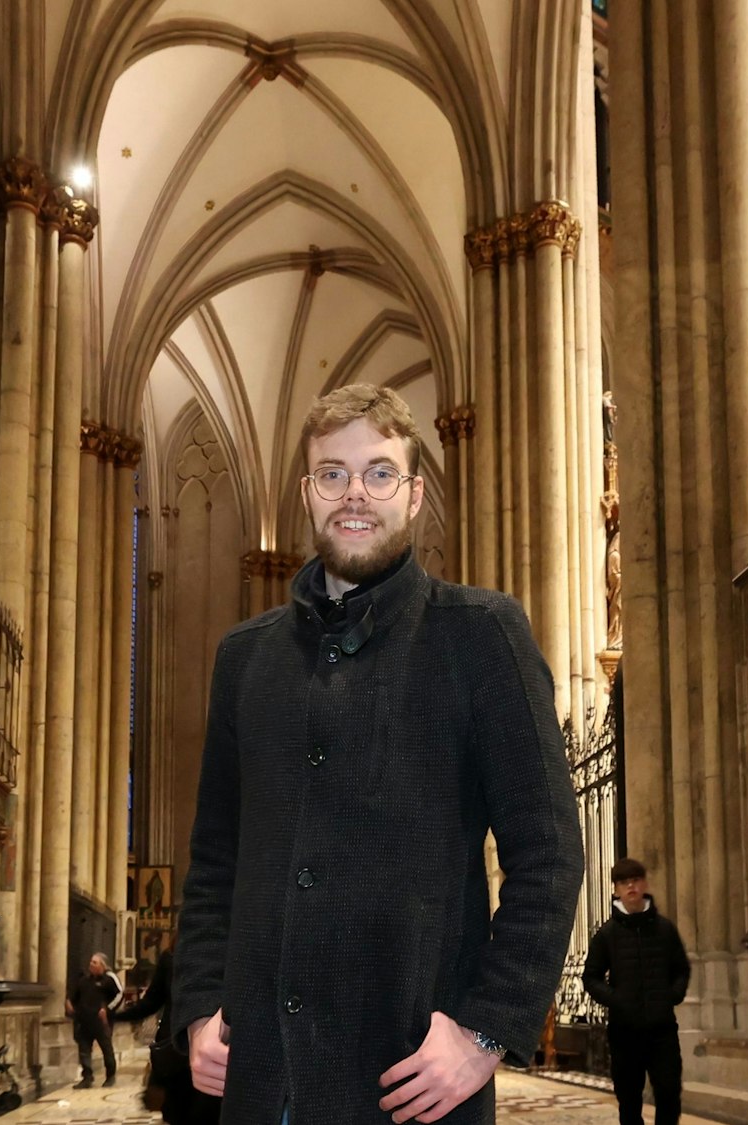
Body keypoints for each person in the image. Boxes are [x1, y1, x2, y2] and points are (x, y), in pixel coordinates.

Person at [174, 384, 584, 1124]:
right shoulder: (246, 658)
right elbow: (214, 863)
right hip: (263, 1087)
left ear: (415, 493)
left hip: (411, 1090)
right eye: (332, 473)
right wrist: (201, 1008)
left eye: (379, 472)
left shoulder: (481, 636)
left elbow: (549, 852)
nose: (354, 493)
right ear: (306, 491)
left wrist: (485, 1031)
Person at [582, 857, 690, 1125]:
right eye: (623, 882)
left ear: (644, 884)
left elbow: (681, 969)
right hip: (625, 1031)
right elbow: (591, 977)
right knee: (629, 1099)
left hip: (661, 1029)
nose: (630, 886)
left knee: (668, 1092)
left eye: (635, 880)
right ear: (616, 890)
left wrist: (671, 996)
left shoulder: (664, 929)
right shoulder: (607, 934)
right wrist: (617, 1000)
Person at [117, 948, 220, 1124]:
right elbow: (151, 1002)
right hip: (176, 1056)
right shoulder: (172, 957)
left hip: (214, 1056)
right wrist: (117, 1017)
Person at [67, 951, 123, 1089]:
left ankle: (110, 1076)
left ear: (102, 965)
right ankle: (87, 1077)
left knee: (106, 1049)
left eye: (95, 962)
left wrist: (108, 1010)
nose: (91, 964)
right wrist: (68, 1003)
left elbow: (119, 995)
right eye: (91, 962)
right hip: (84, 1021)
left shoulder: (108, 980)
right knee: (84, 1050)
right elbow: (73, 996)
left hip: (101, 1022)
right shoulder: (84, 980)